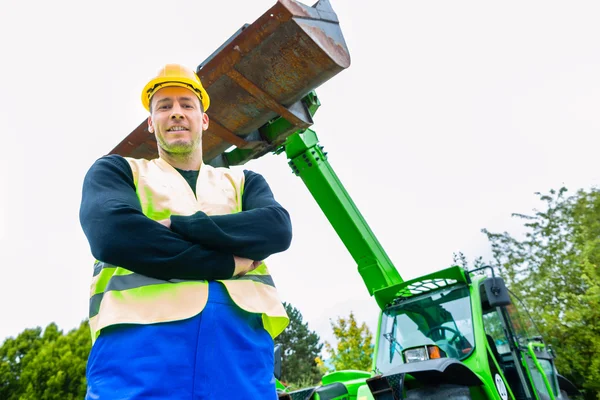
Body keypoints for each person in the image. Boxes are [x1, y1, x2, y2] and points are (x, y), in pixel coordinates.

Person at [79, 64, 292, 399]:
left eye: (186, 105)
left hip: (240, 354)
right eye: (164, 106)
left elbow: (276, 229)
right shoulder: (118, 171)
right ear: (151, 123)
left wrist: (181, 225)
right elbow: (114, 235)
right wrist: (228, 264)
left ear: (204, 120)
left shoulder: (243, 182)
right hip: (139, 354)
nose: (176, 113)